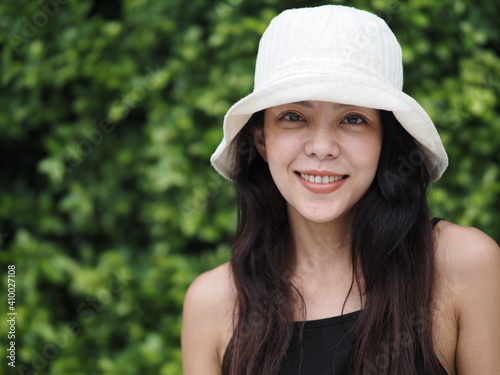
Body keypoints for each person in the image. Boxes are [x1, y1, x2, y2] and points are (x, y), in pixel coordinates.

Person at [181, 5, 500, 375]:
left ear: (386, 140)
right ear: (262, 139)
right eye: (293, 117)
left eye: (352, 119)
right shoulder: (212, 303)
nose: (321, 146)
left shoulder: (464, 265)